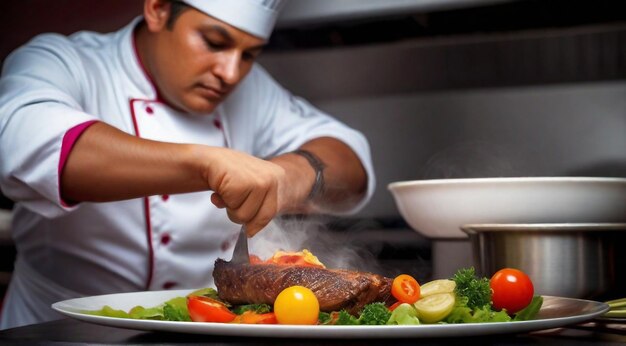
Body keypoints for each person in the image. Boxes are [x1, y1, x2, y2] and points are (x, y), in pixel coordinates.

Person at [0, 0, 375, 329]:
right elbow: (22, 141)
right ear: (158, 8)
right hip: (56, 329)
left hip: (202, 327)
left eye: (249, 55)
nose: (230, 73)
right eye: (214, 42)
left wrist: (294, 173)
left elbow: (351, 159)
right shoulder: (66, 61)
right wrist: (204, 163)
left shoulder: (252, 90)